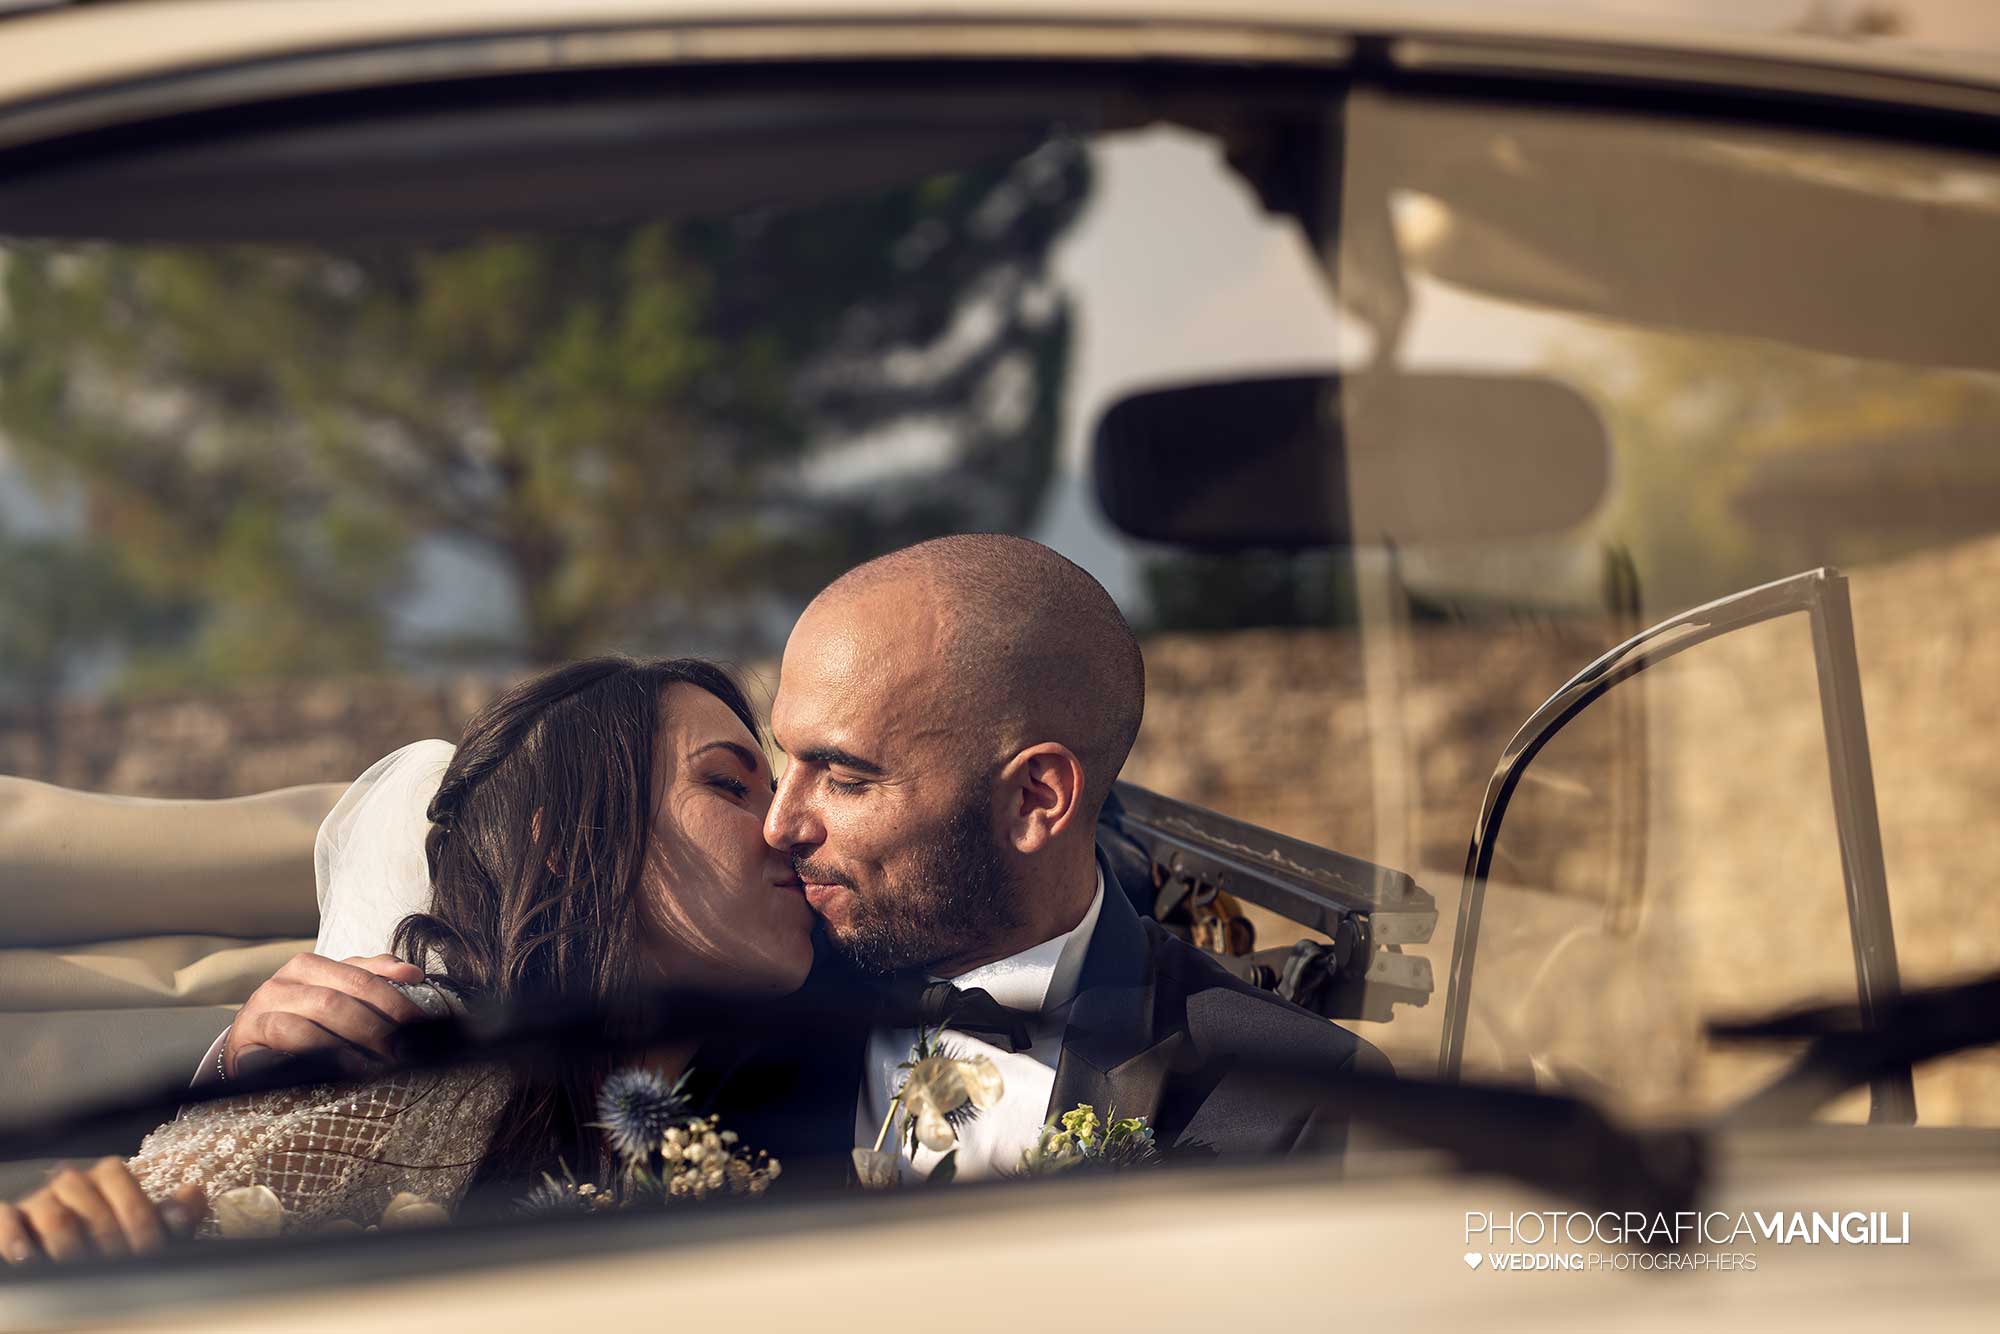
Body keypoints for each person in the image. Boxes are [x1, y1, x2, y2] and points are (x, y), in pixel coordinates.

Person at [1, 657, 811, 1264]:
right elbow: (121, 1239)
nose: (782, 826)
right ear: (572, 843)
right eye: (729, 787)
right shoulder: (407, 1052)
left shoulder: (804, 1076)